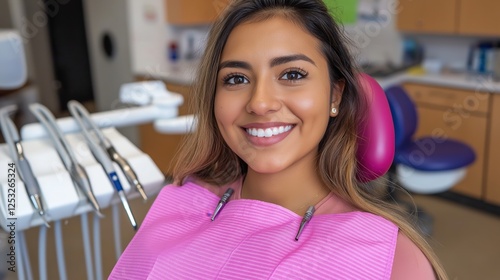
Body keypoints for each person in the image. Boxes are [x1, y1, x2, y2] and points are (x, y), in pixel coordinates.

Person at [110, 0, 447, 279]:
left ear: (334, 94)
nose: (259, 102)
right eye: (237, 78)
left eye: (292, 74)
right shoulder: (182, 206)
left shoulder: (396, 262)